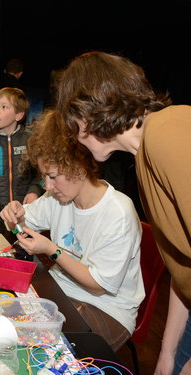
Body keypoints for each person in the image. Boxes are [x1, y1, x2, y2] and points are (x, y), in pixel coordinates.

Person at [54, 50, 191, 374]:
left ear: (87, 112)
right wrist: (168, 354)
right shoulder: (144, 157)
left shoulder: (167, 131)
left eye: (73, 123)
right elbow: (184, 269)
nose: (75, 136)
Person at [0, 110, 144, 351]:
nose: (48, 186)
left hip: (107, 308)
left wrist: (52, 250)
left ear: (80, 165)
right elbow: (22, 222)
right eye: (44, 177)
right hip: (61, 290)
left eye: (53, 176)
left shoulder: (118, 212)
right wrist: (15, 213)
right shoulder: (58, 198)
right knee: (5, 317)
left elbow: (99, 285)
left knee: (42, 350)